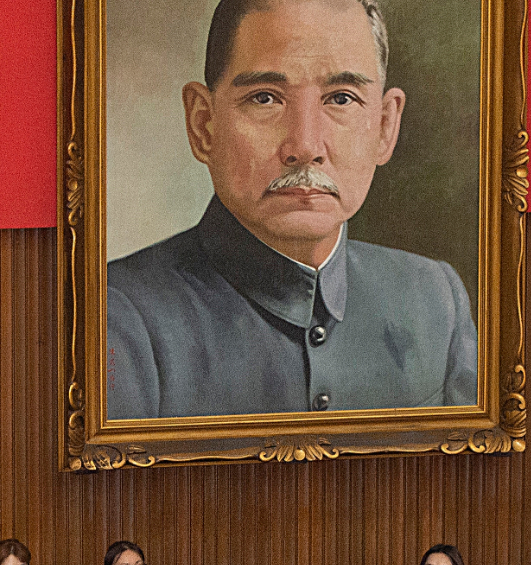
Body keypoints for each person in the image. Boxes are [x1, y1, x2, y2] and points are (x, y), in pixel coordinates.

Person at [105, 0, 476, 419]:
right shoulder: (117, 317)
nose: (305, 146)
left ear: (385, 127)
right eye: (265, 98)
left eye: (341, 98)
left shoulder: (435, 299)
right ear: (203, 124)